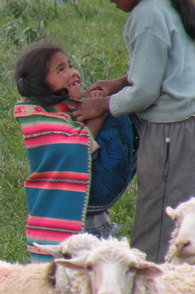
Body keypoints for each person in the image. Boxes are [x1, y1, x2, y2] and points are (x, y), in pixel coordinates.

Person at [58, 0, 195, 263]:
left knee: (161, 231)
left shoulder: (146, 17)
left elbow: (145, 93)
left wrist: (103, 104)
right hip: (193, 131)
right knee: (187, 229)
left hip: (171, 137)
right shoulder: (166, 4)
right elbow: (163, 69)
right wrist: (119, 83)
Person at [14, 40, 137, 262]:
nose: (72, 73)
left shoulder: (73, 110)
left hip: (94, 215)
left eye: (69, 65)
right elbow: (77, 147)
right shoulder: (41, 120)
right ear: (42, 85)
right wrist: (99, 112)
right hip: (62, 214)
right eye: (61, 70)